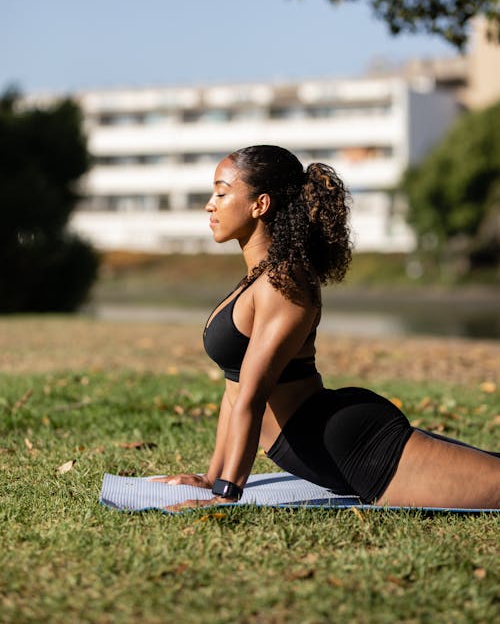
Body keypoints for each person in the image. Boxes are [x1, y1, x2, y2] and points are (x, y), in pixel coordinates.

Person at [153, 145, 500, 509]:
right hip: (328, 442)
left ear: (261, 205)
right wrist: (212, 477)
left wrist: (226, 495)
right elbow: (234, 389)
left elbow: (253, 397)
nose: (210, 204)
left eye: (221, 193)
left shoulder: (283, 283)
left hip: (357, 449)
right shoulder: (257, 280)